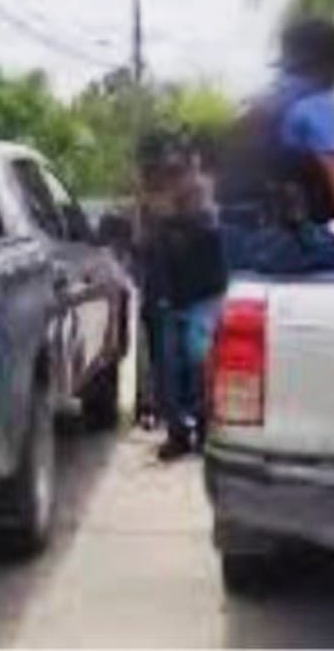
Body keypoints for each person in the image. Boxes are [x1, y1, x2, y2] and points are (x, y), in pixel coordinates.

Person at [216, 19, 334, 286]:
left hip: (229, 241)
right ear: (326, 65)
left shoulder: (250, 105)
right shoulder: (314, 105)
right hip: (276, 243)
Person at [136, 131, 228, 460]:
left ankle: (200, 429)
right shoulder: (155, 202)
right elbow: (146, 247)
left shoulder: (202, 194)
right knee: (169, 369)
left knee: (198, 361)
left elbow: (208, 229)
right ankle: (178, 431)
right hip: (169, 294)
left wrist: (170, 217)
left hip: (201, 292)